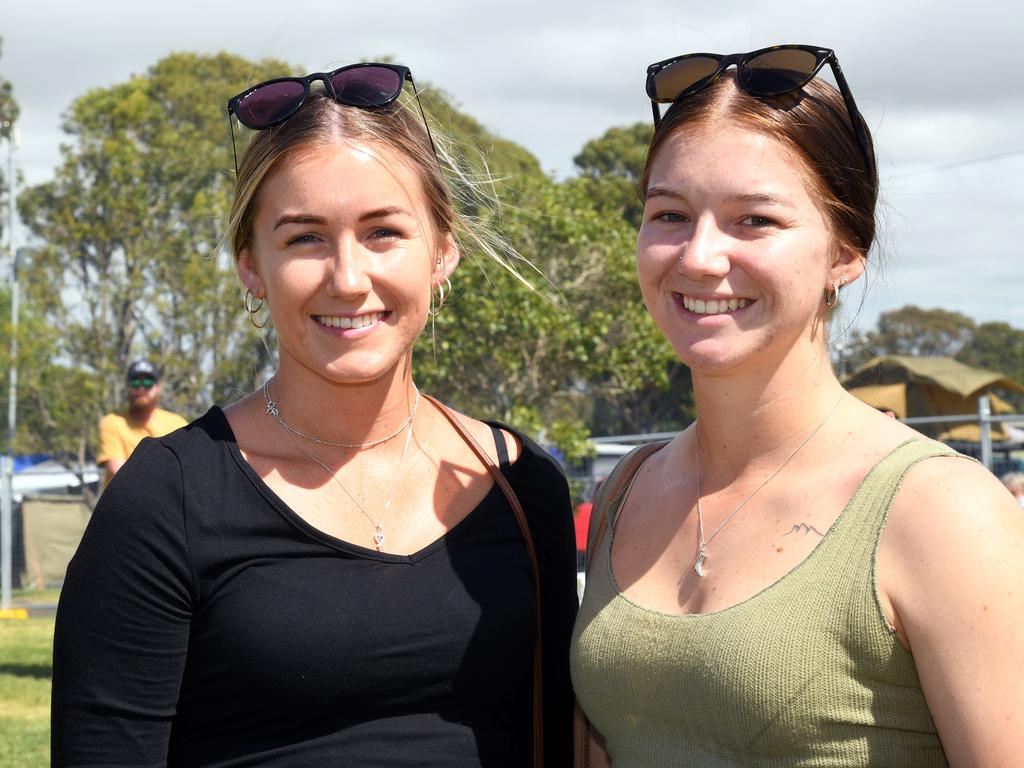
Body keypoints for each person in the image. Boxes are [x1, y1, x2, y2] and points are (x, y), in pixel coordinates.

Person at [53, 62, 577, 767]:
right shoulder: (165, 501)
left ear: (443, 251)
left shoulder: (522, 484)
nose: (348, 278)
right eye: (303, 238)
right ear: (250, 266)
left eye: (383, 232)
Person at [571, 45, 1024, 766]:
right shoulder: (629, 488)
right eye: (669, 214)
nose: (699, 257)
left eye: (754, 220)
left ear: (845, 252)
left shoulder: (941, 512)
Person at [96, 359, 188, 483]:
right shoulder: (112, 422)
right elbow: (120, 472)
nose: (141, 388)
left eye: (148, 383)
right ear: (127, 386)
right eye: (135, 383)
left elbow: (188, 468)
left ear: (159, 387)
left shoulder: (177, 423)